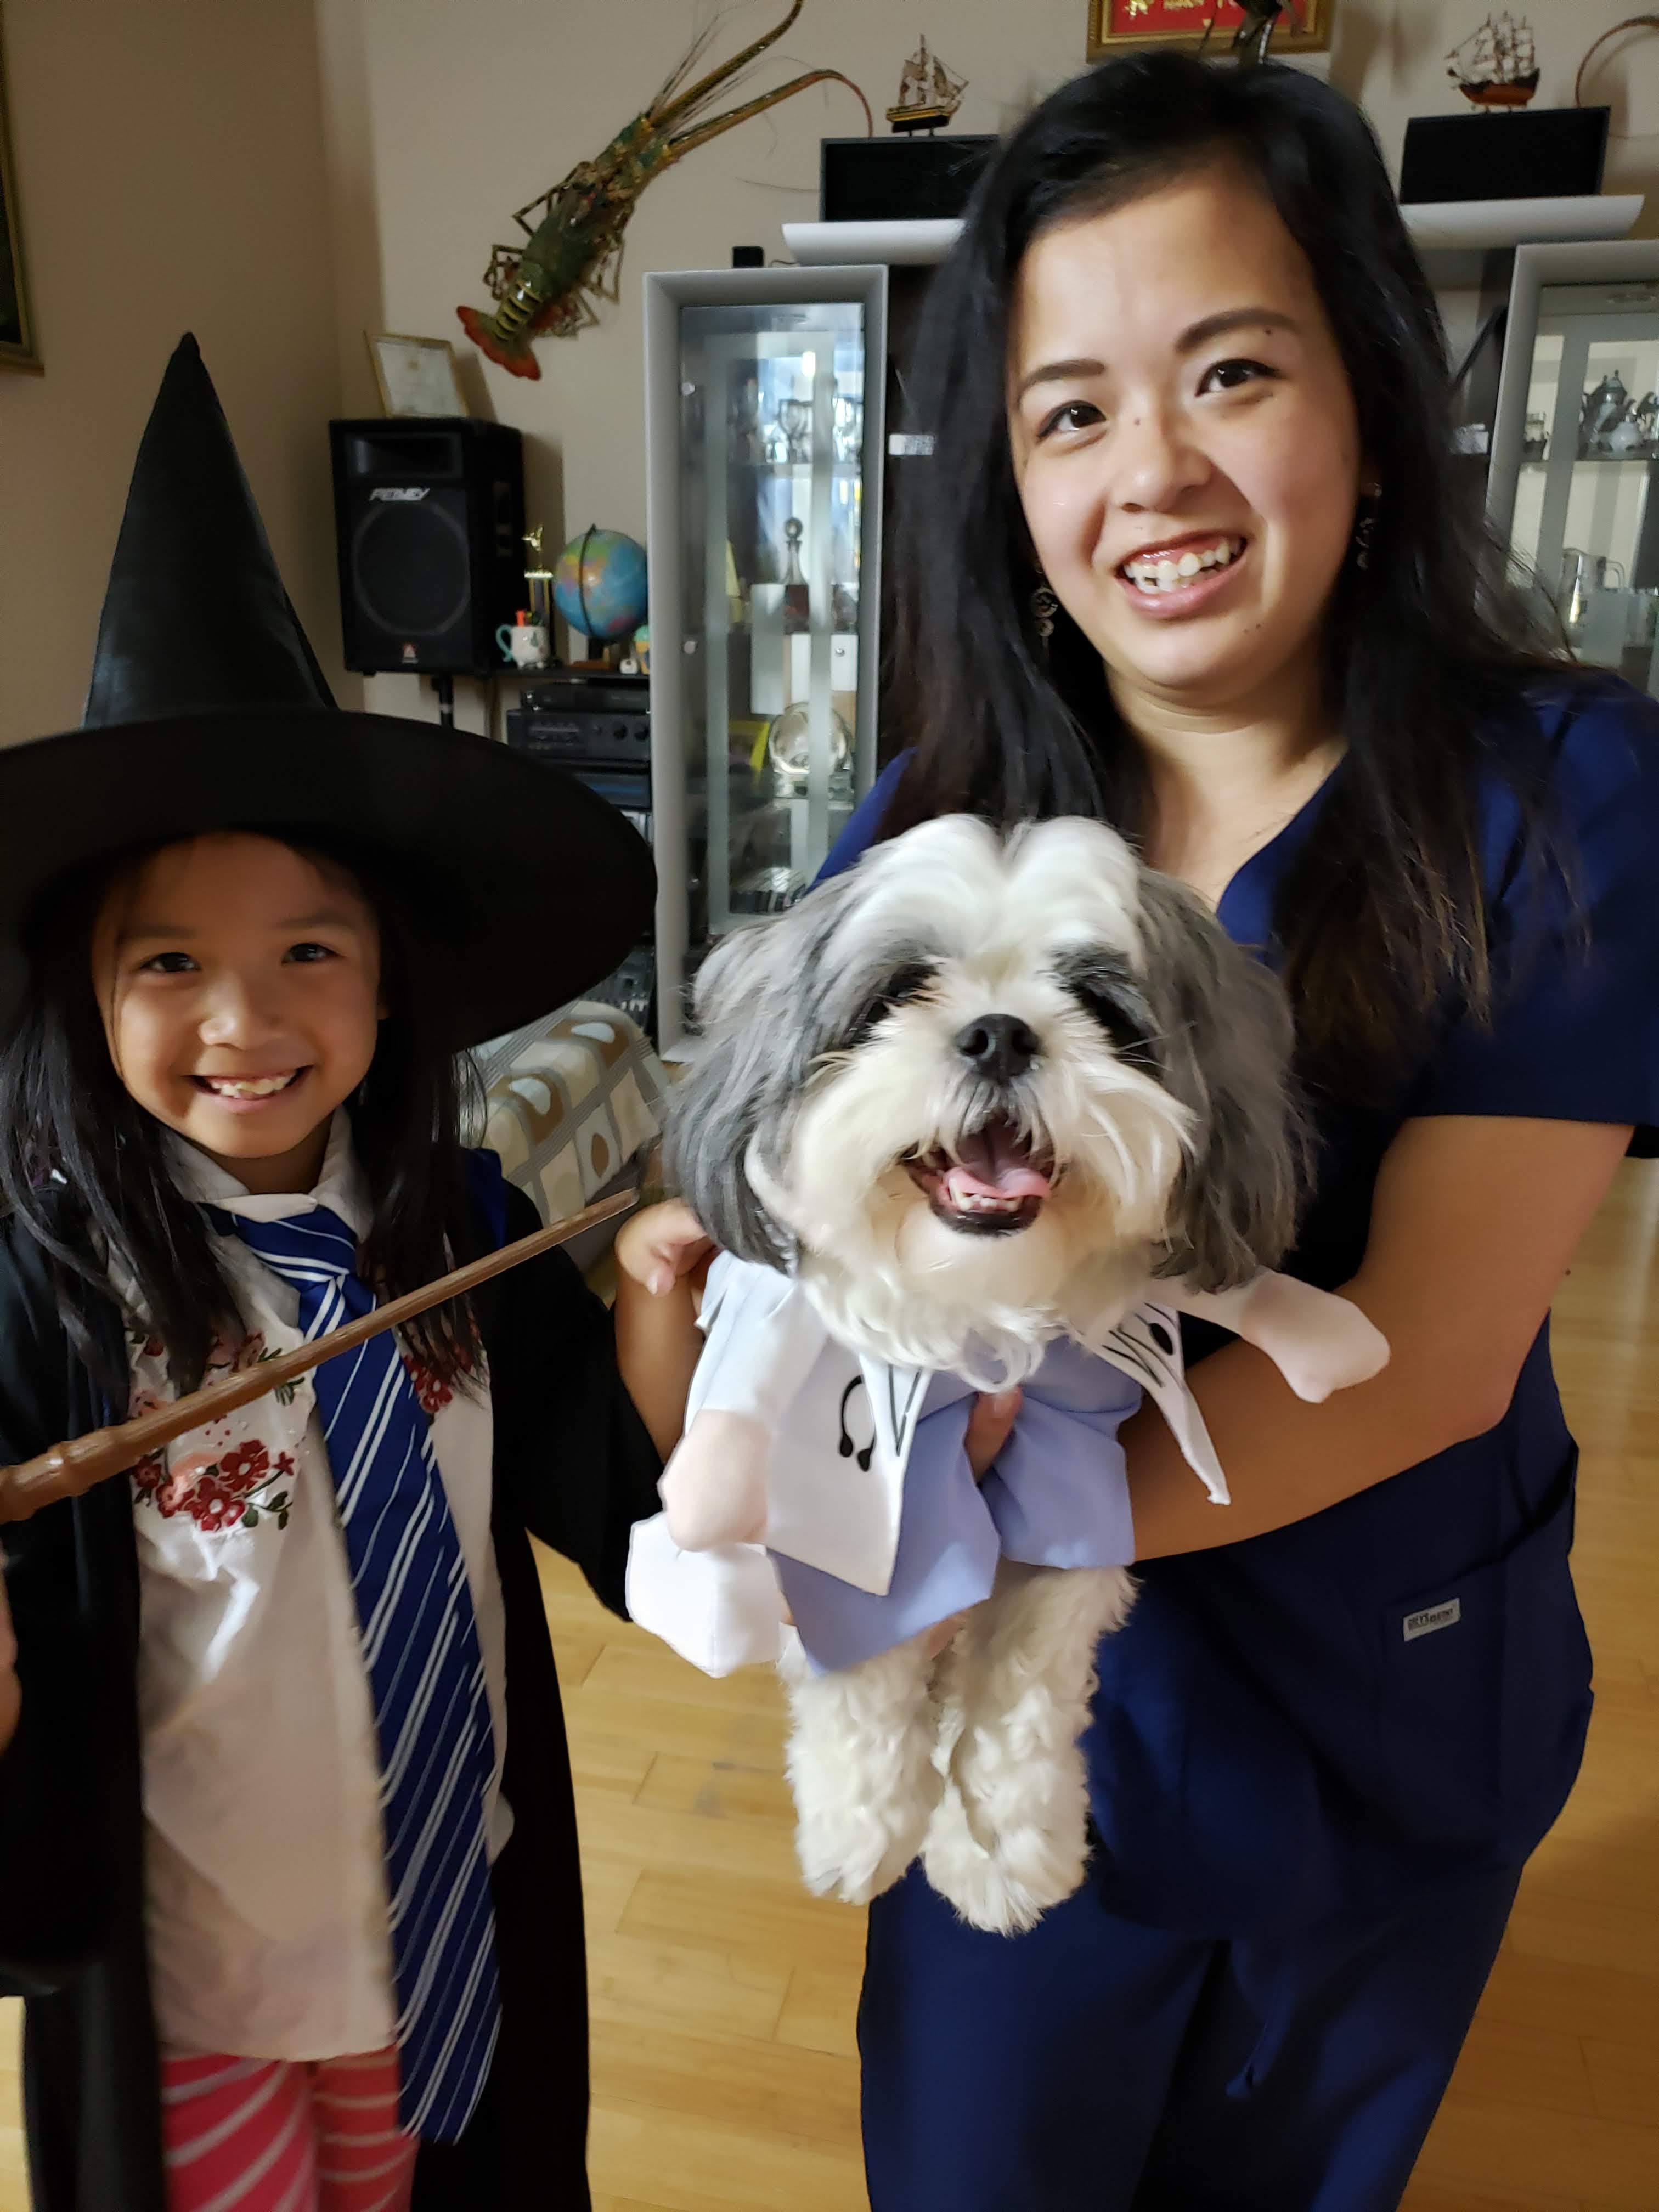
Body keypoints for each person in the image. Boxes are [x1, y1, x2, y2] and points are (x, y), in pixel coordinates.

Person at [811, 52, 1659, 2212]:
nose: (1152, 472)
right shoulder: (926, 833)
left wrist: (956, 1528)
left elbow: (1433, 1354)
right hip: (1030, 1756)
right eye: (1070, 411)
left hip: (1381, 1711)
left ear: (1368, 397)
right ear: (1008, 482)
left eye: (1228, 373)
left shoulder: (1561, 799)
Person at [0, 337, 699, 2212]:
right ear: (84, 992)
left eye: (310, 951)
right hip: (200, 1989)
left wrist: (654, 1293)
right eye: (169, 967)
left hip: (434, 1934)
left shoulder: (456, 1225)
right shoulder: (52, 1288)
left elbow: (610, 1499)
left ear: (394, 985)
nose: (246, 1020)